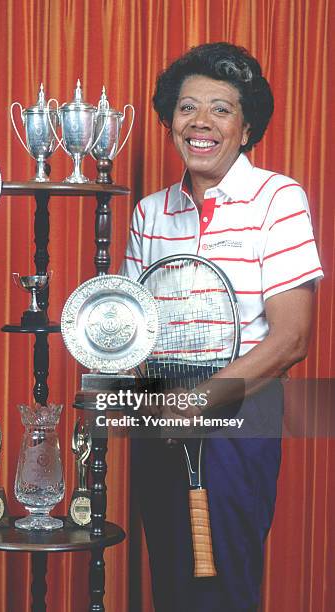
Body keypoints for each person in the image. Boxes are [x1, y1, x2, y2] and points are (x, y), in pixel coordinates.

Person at [120, 43, 323, 612]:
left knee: (224, 588)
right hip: (160, 412)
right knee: (172, 582)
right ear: (170, 121)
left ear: (246, 127)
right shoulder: (150, 212)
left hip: (240, 409)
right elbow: (134, 332)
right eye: (187, 108)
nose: (201, 122)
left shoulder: (277, 199)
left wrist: (199, 405)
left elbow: (291, 340)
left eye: (221, 109)